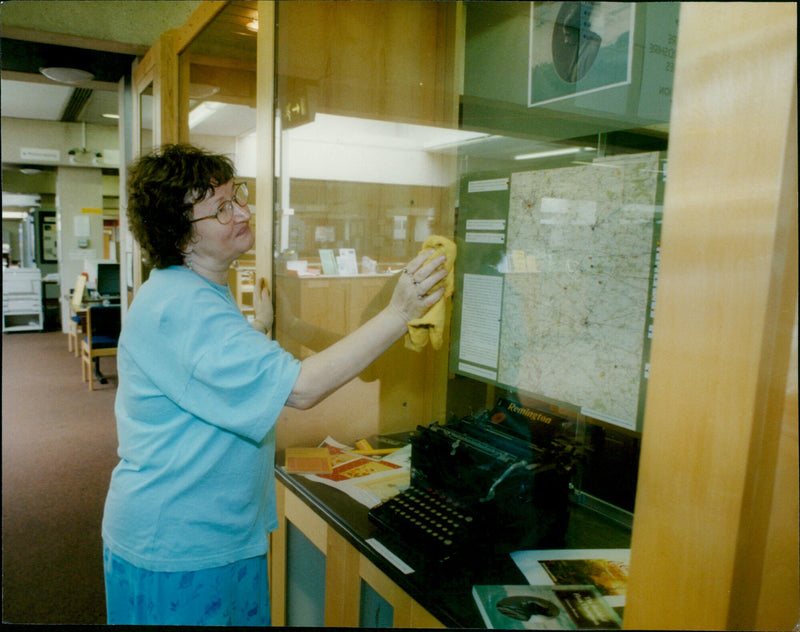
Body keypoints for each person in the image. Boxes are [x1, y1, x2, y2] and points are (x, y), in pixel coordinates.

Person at [101, 143, 447, 626]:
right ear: (182, 237)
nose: (242, 211)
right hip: (179, 544)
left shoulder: (196, 292)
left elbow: (208, 371)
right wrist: (399, 313)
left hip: (212, 535)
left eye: (236, 195)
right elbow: (301, 389)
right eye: (221, 209)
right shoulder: (182, 308)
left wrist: (260, 331)